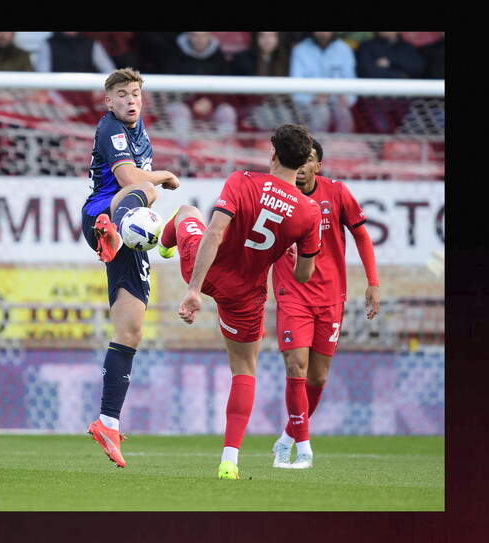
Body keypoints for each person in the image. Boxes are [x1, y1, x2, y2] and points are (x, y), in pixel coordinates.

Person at [158, 123, 323, 480]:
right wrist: (285, 247)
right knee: (244, 370)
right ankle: (229, 461)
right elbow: (303, 276)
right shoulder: (310, 213)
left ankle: (163, 242)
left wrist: (193, 290)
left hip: (206, 270)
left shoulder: (242, 180)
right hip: (244, 294)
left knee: (188, 212)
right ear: (302, 164)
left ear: (273, 154)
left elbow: (215, 233)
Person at [81, 68, 181, 468]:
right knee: (148, 188)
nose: (129, 100)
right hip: (100, 215)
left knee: (131, 330)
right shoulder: (111, 130)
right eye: (121, 94)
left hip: (127, 239)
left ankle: (107, 422)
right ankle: (115, 230)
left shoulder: (142, 133)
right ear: (109, 101)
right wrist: (165, 176)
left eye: (135, 93)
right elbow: (130, 178)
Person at [269, 138, 381, 469]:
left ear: (318, 165)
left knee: (317, 379)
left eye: (309, 160)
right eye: (298, 159)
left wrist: (373, 282)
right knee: (295, 368)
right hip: (292, 296)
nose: (302, 165)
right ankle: (304, 449)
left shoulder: (337, 193)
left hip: (331, 297)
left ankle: (287, 438)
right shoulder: (275, 196)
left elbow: (361, 236)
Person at [163, 32, 237, 142]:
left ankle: (226, 154)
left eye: (203, 35)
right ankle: (182, 155)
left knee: (227, 112)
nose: (200, 39)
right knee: (181, 112)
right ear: (189, 36)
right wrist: (192, 103)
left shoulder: (219, 57)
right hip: (183, 104)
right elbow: (169, 88)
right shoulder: (175, 55)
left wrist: (210, 102)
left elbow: (226, 88)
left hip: (212, 105)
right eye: (195, 35)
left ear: (210, 36)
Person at [289, 32, 358, 134]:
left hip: (337, 101)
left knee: (342, 112)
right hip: (309, 104)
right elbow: (295, 90)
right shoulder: (300, 50)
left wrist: (345, 98)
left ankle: (342, 146)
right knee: (321, 112)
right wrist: (313, 98)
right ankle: (317, 147)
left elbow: (352, 84)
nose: (323, 33)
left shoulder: (344, 49)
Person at [232, 31, 297, 131]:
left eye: (271, 36)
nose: (267, 40)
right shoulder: (243, 59)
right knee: (265, 115)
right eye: (263, 36)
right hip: (253, 107)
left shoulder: (286, 59)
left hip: (280, 106)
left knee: (285, 117)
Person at [35, 31, 117, 73]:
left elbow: (109, 71)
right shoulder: (48, 44)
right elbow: (42, 74)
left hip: (86, 92)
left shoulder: (91, 44)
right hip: (57, 94)